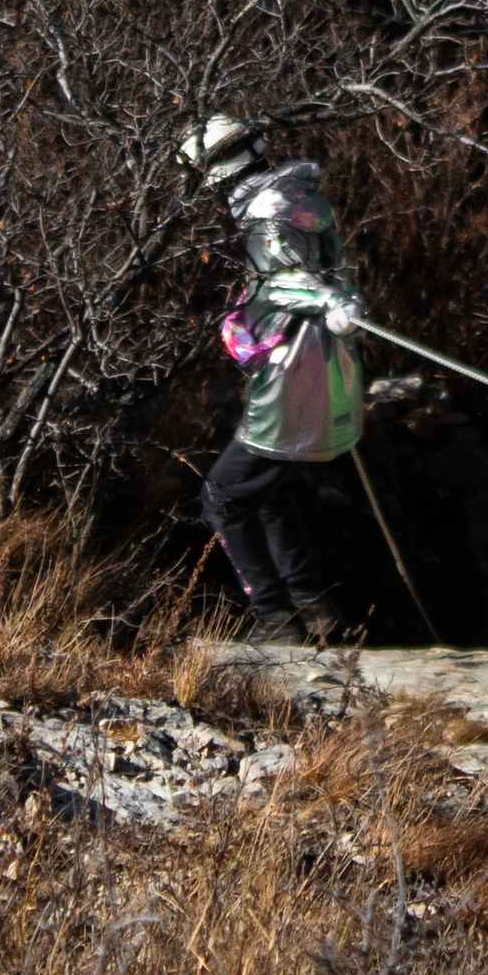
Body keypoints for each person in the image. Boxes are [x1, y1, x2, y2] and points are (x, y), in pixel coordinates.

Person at [181, 114, 368, 643]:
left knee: (221, 493)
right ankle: (315, 612)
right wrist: (336, 301)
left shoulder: (263, 213)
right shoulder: (299, 199)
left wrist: (329, 300)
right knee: (265, 490)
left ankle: (276, 619)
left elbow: (285, 281)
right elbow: (326, 276)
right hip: (325, 363)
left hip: (291, 370)